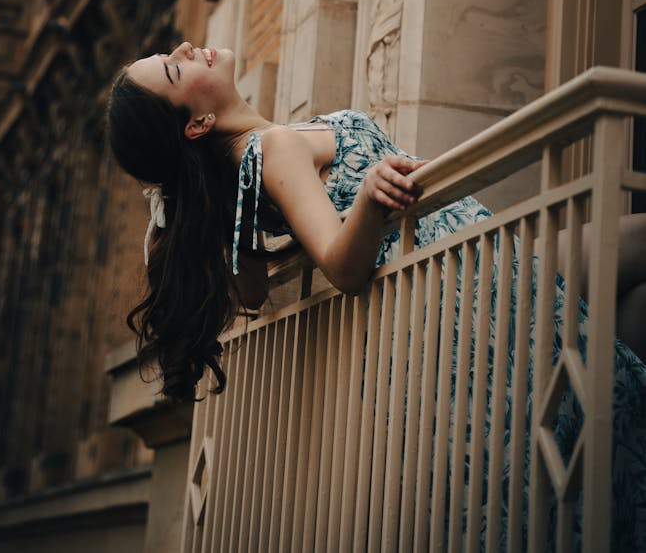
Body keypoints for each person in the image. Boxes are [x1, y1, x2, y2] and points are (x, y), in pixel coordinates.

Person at [108, 40, 646, 545]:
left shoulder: (252, 165)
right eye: (176, 69)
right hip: (469, 287)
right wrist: (368, 198)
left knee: (623, 315)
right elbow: (342, 265)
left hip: (478, 263)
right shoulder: (270, 150)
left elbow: (248, 288)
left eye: (168, 54)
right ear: (198, 124)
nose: (184, 49)